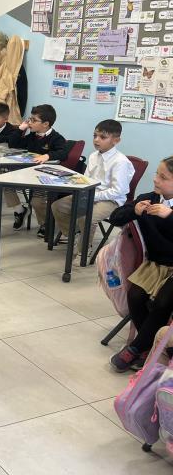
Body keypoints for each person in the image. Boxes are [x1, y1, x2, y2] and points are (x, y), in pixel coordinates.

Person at [108, 156, 173, 372]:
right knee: (135, 295)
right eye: (156, 174)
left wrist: (170, 216)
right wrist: (134, 210)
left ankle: (137, 347)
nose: (155, 179)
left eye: (163, 177)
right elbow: (115, 217)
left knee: (164, 301)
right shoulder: (149, 199)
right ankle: (149, 347)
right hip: (156, 264)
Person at [52, 119, 134, 264]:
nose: (96, 140)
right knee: (58, 206)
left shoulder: (120, 162)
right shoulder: (93, 155)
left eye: (102, 137)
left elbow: (118, 190)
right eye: (95, 135)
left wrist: (94, 196)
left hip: (111, 200)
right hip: (90, 194)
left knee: (86, 217)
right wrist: (76, 184)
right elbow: (87, 179)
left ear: (116, 140)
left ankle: (84, 249)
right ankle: (76, 234)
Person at [6, 104, 70, 233]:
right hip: (27, 173)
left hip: (43, 178)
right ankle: (20, 211)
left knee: (36, 202)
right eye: (30, 119)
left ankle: (44, 223)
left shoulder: (56, 138)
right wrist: (20, 129)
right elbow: (12, 144)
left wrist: (47, 155)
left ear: (46, 124)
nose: (30, 122)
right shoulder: (32, 135)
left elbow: (63, 153)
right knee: (5, 184)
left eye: (34, 120)